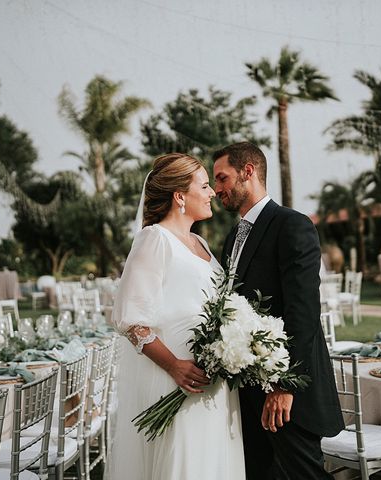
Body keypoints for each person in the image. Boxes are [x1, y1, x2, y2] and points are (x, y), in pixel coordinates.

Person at [108, 153, 245, 480]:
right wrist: (174, 365)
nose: (212, 192)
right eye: (204, 185)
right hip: (175, 379)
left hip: (212, 380)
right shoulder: (154, 239)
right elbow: (130, 320)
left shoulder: (200, 242)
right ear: (180, 196)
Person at [213, 142, 344, 480]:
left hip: (286, 391)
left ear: (248, 172)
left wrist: (284, 386)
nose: (217, 189)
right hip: (247, 388)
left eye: (222, 178)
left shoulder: (292, 225)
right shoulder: (232, 238)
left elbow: (303, 311)